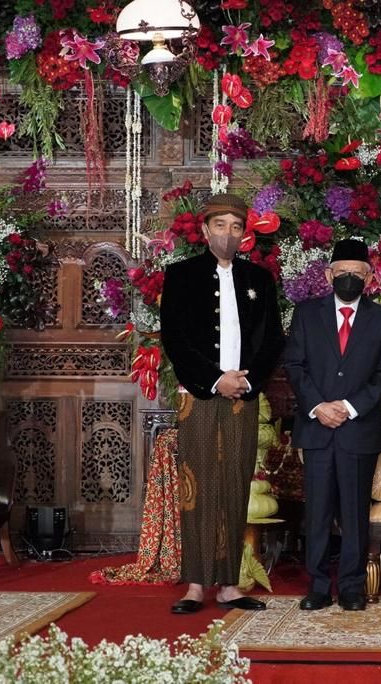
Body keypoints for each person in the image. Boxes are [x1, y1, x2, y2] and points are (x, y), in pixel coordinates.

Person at [160, 193, 284, 614]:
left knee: (234, 484)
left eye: (235, 226)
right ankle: (195, 583)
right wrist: (215, 379)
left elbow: (272, 340)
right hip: (198, 396)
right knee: (197, 486)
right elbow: (175, 338)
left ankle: (229, 584)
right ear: (205, 230)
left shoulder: (259, 280)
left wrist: (245, 382)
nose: (227, 234)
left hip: (243, 397)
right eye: (220, 225)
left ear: (244, 232)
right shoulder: (181, 276)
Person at [282, 239, 381, 612]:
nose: (350, 278)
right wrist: (318, 406)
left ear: (369, 278)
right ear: (329, 274)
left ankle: (351, 586)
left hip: (358, 429)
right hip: (316, 427)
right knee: (316, 512)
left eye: (358, 273)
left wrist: (349, 407)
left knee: (354, 514)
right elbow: (295, 365)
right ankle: (317, 585)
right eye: (343, 272)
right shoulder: (306, 314)